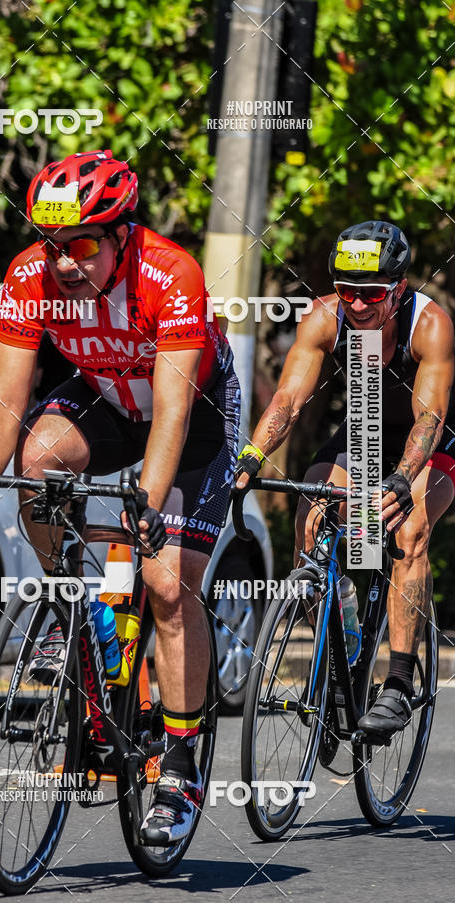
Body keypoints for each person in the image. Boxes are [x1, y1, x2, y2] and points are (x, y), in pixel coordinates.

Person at [0, 150, 240, 844]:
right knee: (37, 462)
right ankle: (73, 608)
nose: (62, 262)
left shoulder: (170, 274)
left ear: (122, 233)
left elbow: (172, 411)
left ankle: (178, 762)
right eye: (51, 244)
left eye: (81, 245)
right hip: (107, 400)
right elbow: (6, 392)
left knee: (168, 581)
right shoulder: (31, 275)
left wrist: (148, 503)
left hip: (193, 415)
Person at [236, 220, 455, 738]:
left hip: (435, 436)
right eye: (347, 290)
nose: (356, 304)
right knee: (312, 517)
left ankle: (398, 684)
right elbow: (288, 400)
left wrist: (402, 480)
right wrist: (250, 457)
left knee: (407, 528)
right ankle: (342, 643)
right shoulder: (325, 318)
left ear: (399, 287)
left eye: (371, 293)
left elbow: (429, 416)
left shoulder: (430, 325)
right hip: (367, 427)